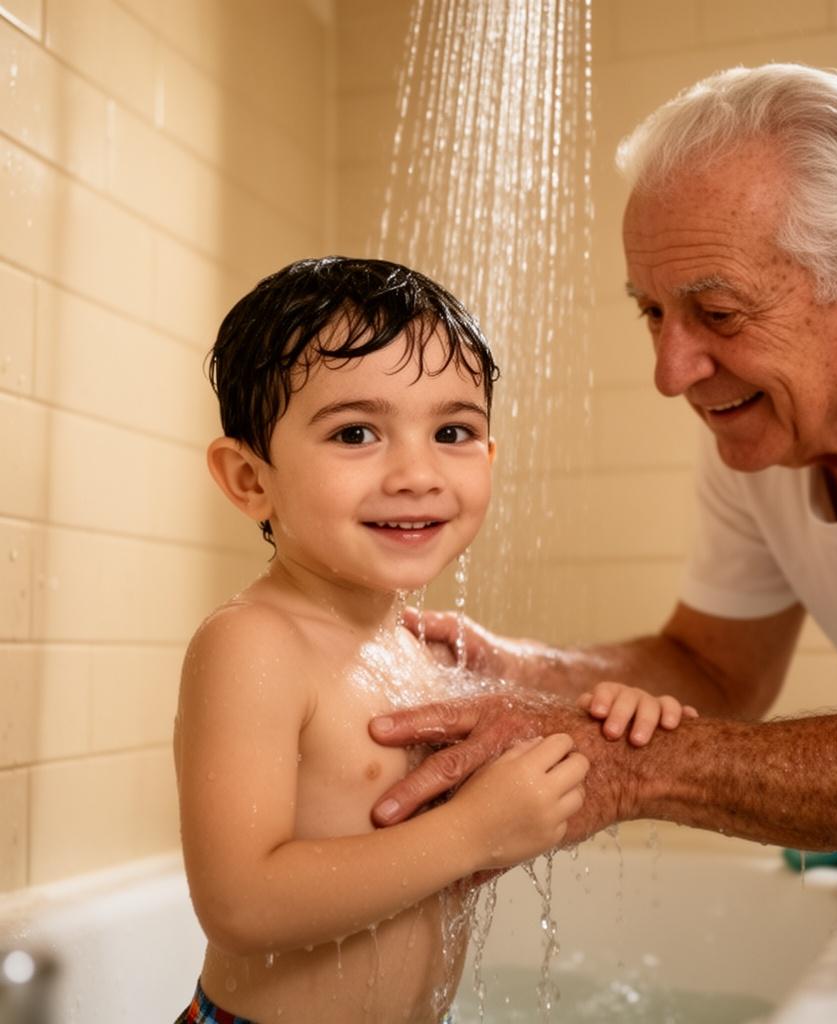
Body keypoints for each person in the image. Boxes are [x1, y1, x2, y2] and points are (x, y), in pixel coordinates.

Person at [366, 64, 837, 862]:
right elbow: (713, 670)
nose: (671, 374)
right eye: (653, 311)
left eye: (718, 312)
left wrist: (626, 769)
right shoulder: (772, 418)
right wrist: (510, 669)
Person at [173, 256, 688, 1024]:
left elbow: (509, 789)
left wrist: (611, 720)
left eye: (453, 432)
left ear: (490, 457)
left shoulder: (418, 651)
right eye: (355, 433)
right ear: (251, 480)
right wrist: (471, 832)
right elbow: (241, 904)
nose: (417, 473)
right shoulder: (254, 645)